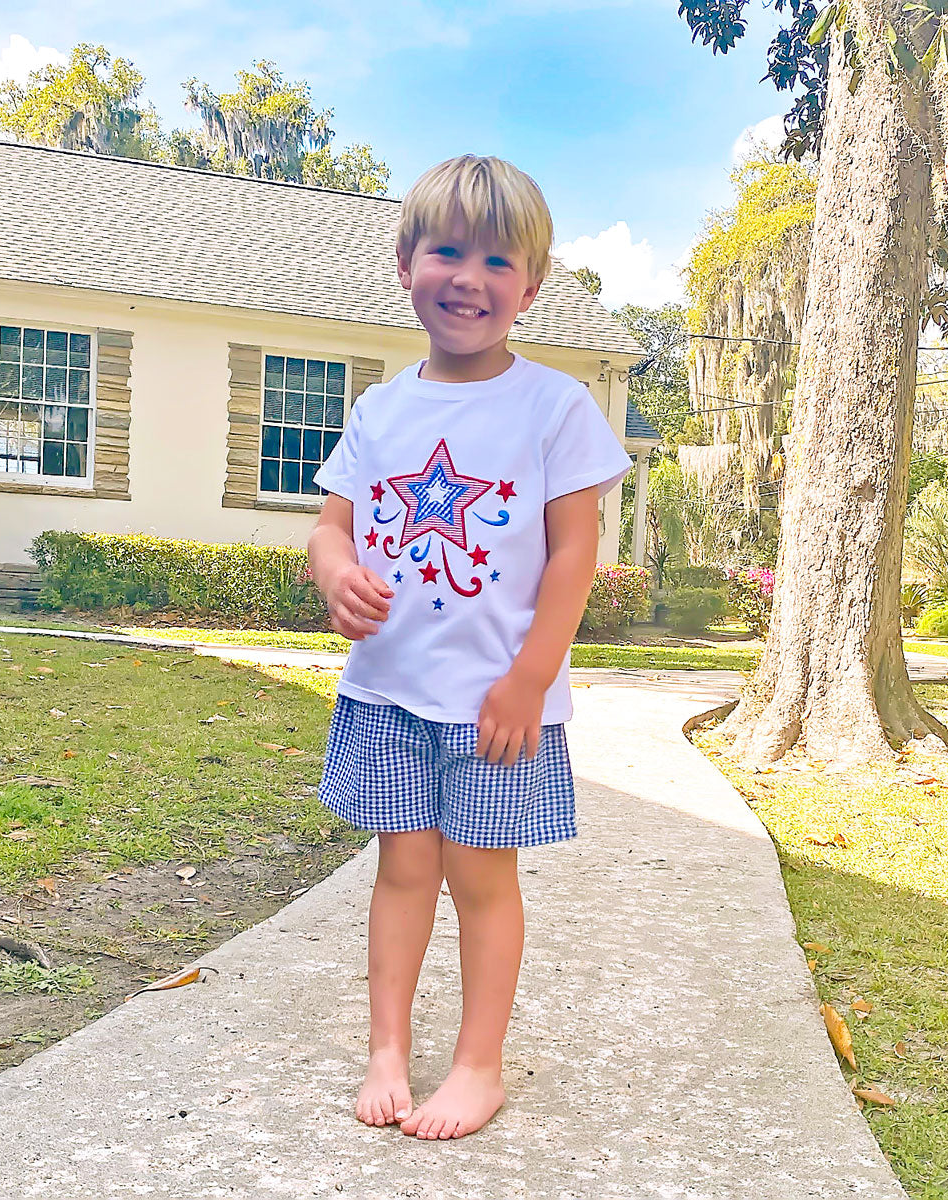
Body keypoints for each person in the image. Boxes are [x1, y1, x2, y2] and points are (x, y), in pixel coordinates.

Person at [306, 154, 632, 1142]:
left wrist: (531, 678)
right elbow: (331, 526)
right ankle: (386, 1050)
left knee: (483, 883)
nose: (469, 278)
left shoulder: (555, 407)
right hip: (387, 694)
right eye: (447, 251)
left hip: (496, 707)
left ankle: (478, 1066)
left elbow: (575, 554)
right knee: (402, 873)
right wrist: (335, 574)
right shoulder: (381, 409)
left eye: (498, 261)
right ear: (406, 262)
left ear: (529, 288)